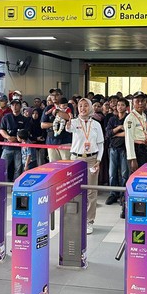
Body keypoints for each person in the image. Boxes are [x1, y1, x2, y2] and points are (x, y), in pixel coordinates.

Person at [58, 98, 104, 235]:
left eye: (85, 106)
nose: (83, 108)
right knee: (74, 190)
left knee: (91, 191)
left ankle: (89, 221)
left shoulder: (96, 124)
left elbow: (101, 144)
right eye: (80, 106)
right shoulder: (74, 122)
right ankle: (75, 218)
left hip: (92, 160)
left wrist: (99, 160)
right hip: (76, 159)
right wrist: (67, 121)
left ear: (90, 108)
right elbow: (68, 128)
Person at [106, 97, 129, 206]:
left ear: (126, 107)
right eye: (118, 105)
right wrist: (119, 127)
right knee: (112, 173)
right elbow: (108, 134)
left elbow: (129, 134)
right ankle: (113, 194)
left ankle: (123, 195)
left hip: (125, 148)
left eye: (122, 105)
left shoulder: (129, 119)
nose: (120, 107)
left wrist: (115, 133)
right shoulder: (112, 119)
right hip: (113, 148)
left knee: (124, 173)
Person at [0, 98, 29, 181]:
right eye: (13, 105)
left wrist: (18, 139)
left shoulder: (24, 119)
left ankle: (16, 184)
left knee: (18, 168)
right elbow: (2, 130)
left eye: (17, 105)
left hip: (20, 148)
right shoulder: (6, 117)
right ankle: (2, 183)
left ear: (20, 106)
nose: (15, 107)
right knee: (2, 166)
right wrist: (8, 137)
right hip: (7, 147)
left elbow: (26, 132)